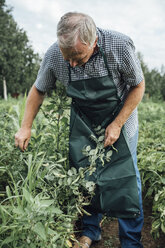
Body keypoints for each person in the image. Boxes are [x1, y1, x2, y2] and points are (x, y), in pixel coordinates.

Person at [15, 12, 145, 248]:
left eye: (77, 57)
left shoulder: (119, 46)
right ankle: (90, 231)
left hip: (121, 120)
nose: (72, 64)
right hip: (84, 123)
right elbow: (38, 89)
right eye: (68, 58)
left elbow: (138, 85)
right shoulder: (56, 54)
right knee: (85, 176)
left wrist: (116, 124)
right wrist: (25, 127)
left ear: (93, 42)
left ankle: (130, 241)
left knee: (125, 178)